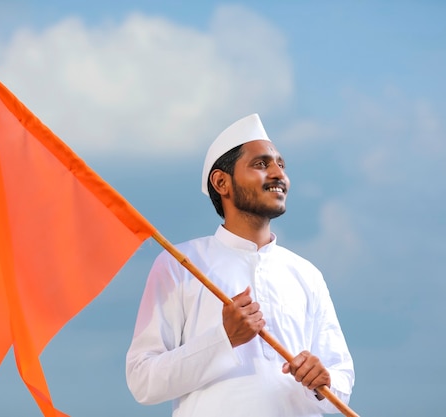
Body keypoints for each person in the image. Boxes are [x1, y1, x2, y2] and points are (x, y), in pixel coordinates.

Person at [125, 114, 354, 417]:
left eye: (281, 165)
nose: (278, 174)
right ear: (222, 182)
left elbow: (340, 383)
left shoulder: (306, 274)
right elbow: (143, 381)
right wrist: (224, 338)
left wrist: (322, 380)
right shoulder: (179, 264)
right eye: (261, 165)